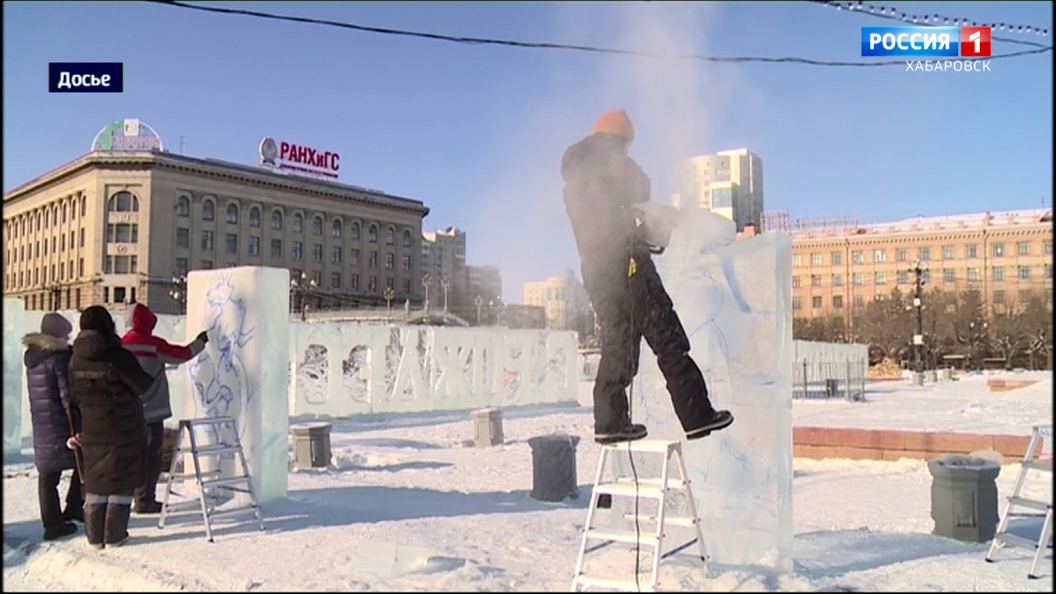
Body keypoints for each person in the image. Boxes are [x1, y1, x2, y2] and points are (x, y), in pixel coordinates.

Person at [561, 108, 735, 444]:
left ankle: (610, 422)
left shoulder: (574, 177)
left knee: (619, 343)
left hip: (595, 268)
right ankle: (697, 414)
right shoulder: (611, 159)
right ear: (619, 138)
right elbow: (642, 186)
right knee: (665, 332)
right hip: (627, 261)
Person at [67, 305, 156, 548]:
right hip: (123, 427)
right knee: (120, 478)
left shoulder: (74, 359)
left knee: (96, 479)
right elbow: (142, 385)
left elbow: (73, 394)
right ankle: (114, 535)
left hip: (92, 428)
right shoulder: (117, 356)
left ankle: (94, 537)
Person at [121, 303, 208, 514]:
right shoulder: (153, 345)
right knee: (152, 456)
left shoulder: (121, 345)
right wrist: (200, 342)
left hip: (126, 412)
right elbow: (182, 354)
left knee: (130, 455)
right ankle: (145, 499)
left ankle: (125, 500)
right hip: (153, 411)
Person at [23, 313, 83, 541]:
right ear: (58, 335)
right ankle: (72, 510)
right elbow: (66, 395)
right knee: (81, 461)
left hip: (41, 422)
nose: (68, 338)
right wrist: (74, 425)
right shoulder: (58, 359)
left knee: (47, 474)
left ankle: (52, 522)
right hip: (59, 422)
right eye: (66, 334)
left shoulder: (33, 358)